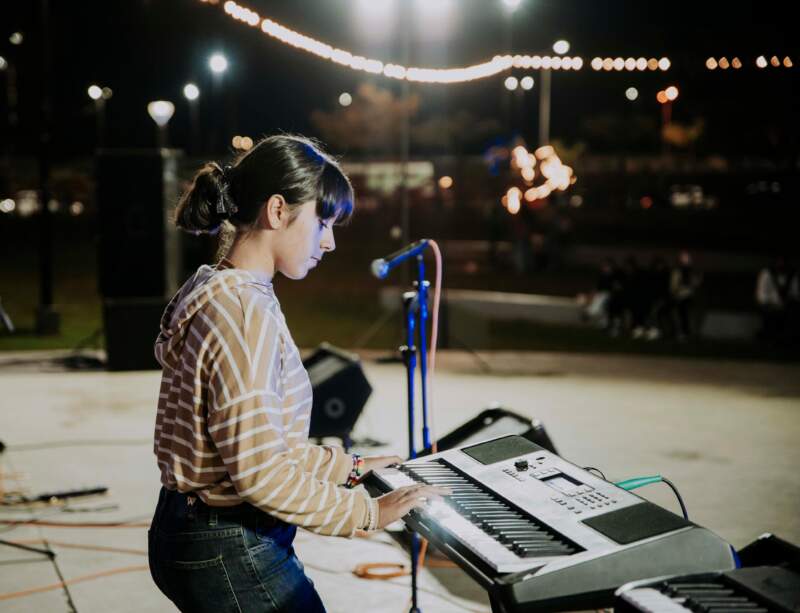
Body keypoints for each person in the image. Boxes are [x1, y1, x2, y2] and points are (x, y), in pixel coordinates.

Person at [147, 134, 448, 613]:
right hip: (227, 542)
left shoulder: (222, 290)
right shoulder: (244, 311)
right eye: (322, 221)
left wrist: (346, 468)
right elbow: (259, 473)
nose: (328, 241)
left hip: (196, 531)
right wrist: (368, 512)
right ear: (277, 210)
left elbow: (263, 445)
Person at [669, 250, 702, 341]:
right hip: (679, 297)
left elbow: (696, 283)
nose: (685, 260)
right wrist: (676, 292)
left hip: (688, 297)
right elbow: (673, 285)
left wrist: (693, 283)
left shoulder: (691, 271)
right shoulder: (677, 271)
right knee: (679, 315)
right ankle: (680, 333)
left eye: (686, 258)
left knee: (687, 315)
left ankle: (688, 333)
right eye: (683, 258)